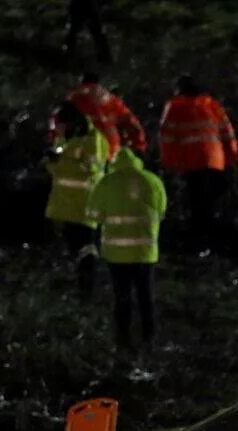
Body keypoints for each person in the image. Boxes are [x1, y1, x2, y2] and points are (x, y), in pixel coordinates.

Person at [88, 145, 165, 351]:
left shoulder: (107, 183)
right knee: (145, 295)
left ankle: (123, 339)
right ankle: (149, 336)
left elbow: (93, 214)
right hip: (146, 252)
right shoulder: (153, 181)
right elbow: (162, 210)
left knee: (122, 297)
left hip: (117, 253)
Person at [157, 78, 238, 252]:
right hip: (216, 161)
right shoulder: (213, 105)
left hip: (192, 162)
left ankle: (197, 244)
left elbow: (167, 137)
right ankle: (210, 243)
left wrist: (169, 164)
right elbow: (228, 134)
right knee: (209, 204)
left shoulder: (174, 106)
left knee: (196, 204)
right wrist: (231, 160)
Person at [45, 101, 109, 297]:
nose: (58, 129)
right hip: (65, 205)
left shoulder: (93, 139)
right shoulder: (63, 140)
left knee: (86, 249)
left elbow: (91, 169)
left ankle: (88, 288)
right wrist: (52, 161)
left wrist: (61, 162)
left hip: (84, 204)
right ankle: (82, 286)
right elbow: (55, 170)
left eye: (60, 124)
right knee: (75, 248)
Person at [57, 73, 144, 158]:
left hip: (89, 152)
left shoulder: (75, 100)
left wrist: (59, 147)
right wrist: (139, 146)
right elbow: (132, 124)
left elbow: (61, 126)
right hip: (110, 150)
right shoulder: (113, 101)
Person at [64, 0, 110, 64]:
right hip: (84, 6)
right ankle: (105, 57)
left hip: (82, 6)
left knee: (74, 32)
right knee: (98, 32)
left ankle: (104, 57)